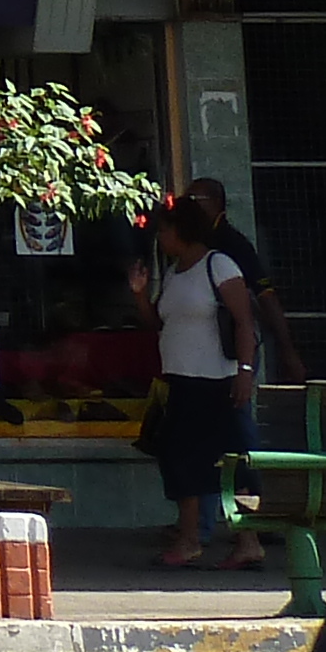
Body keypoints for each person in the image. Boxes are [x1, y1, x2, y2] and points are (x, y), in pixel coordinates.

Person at [141, 201, 260, 571]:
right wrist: (139, 294)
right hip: (181, 380)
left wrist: (244, 370)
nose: (160, 238)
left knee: (235, 463)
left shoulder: (218, 265)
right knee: (180, 460)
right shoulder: (174, 274)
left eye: (165, 230)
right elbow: (159, 324)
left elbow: (244, 321)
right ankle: (190, 538)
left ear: (184, 230)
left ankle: (248, 541)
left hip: (218, 381)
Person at [181, 176, 308, 384]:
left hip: (229, 348)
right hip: (195, 354)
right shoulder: (189, 245)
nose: (186, 207)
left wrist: (287, 351)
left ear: (214, 202)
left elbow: (265, 295)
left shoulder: (233, 245)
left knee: (235, 411)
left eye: (192, 199)